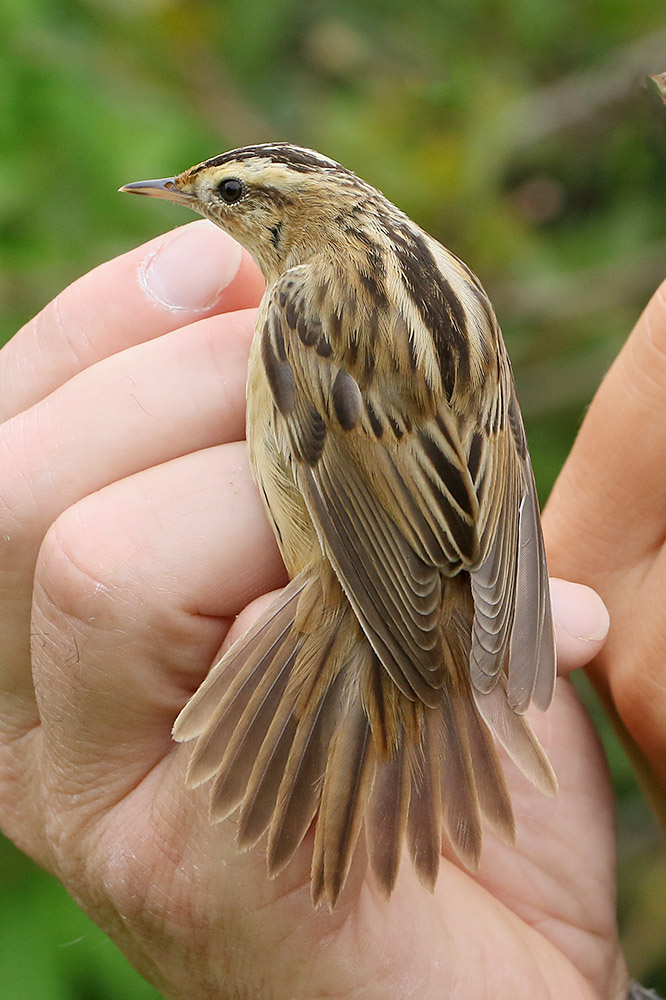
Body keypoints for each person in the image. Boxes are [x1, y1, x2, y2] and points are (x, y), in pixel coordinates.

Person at [0, 217, 661, 999]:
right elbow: (490, 446)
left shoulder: (314, 305)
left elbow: (399, 464)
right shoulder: (419, 284)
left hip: (393, 579)